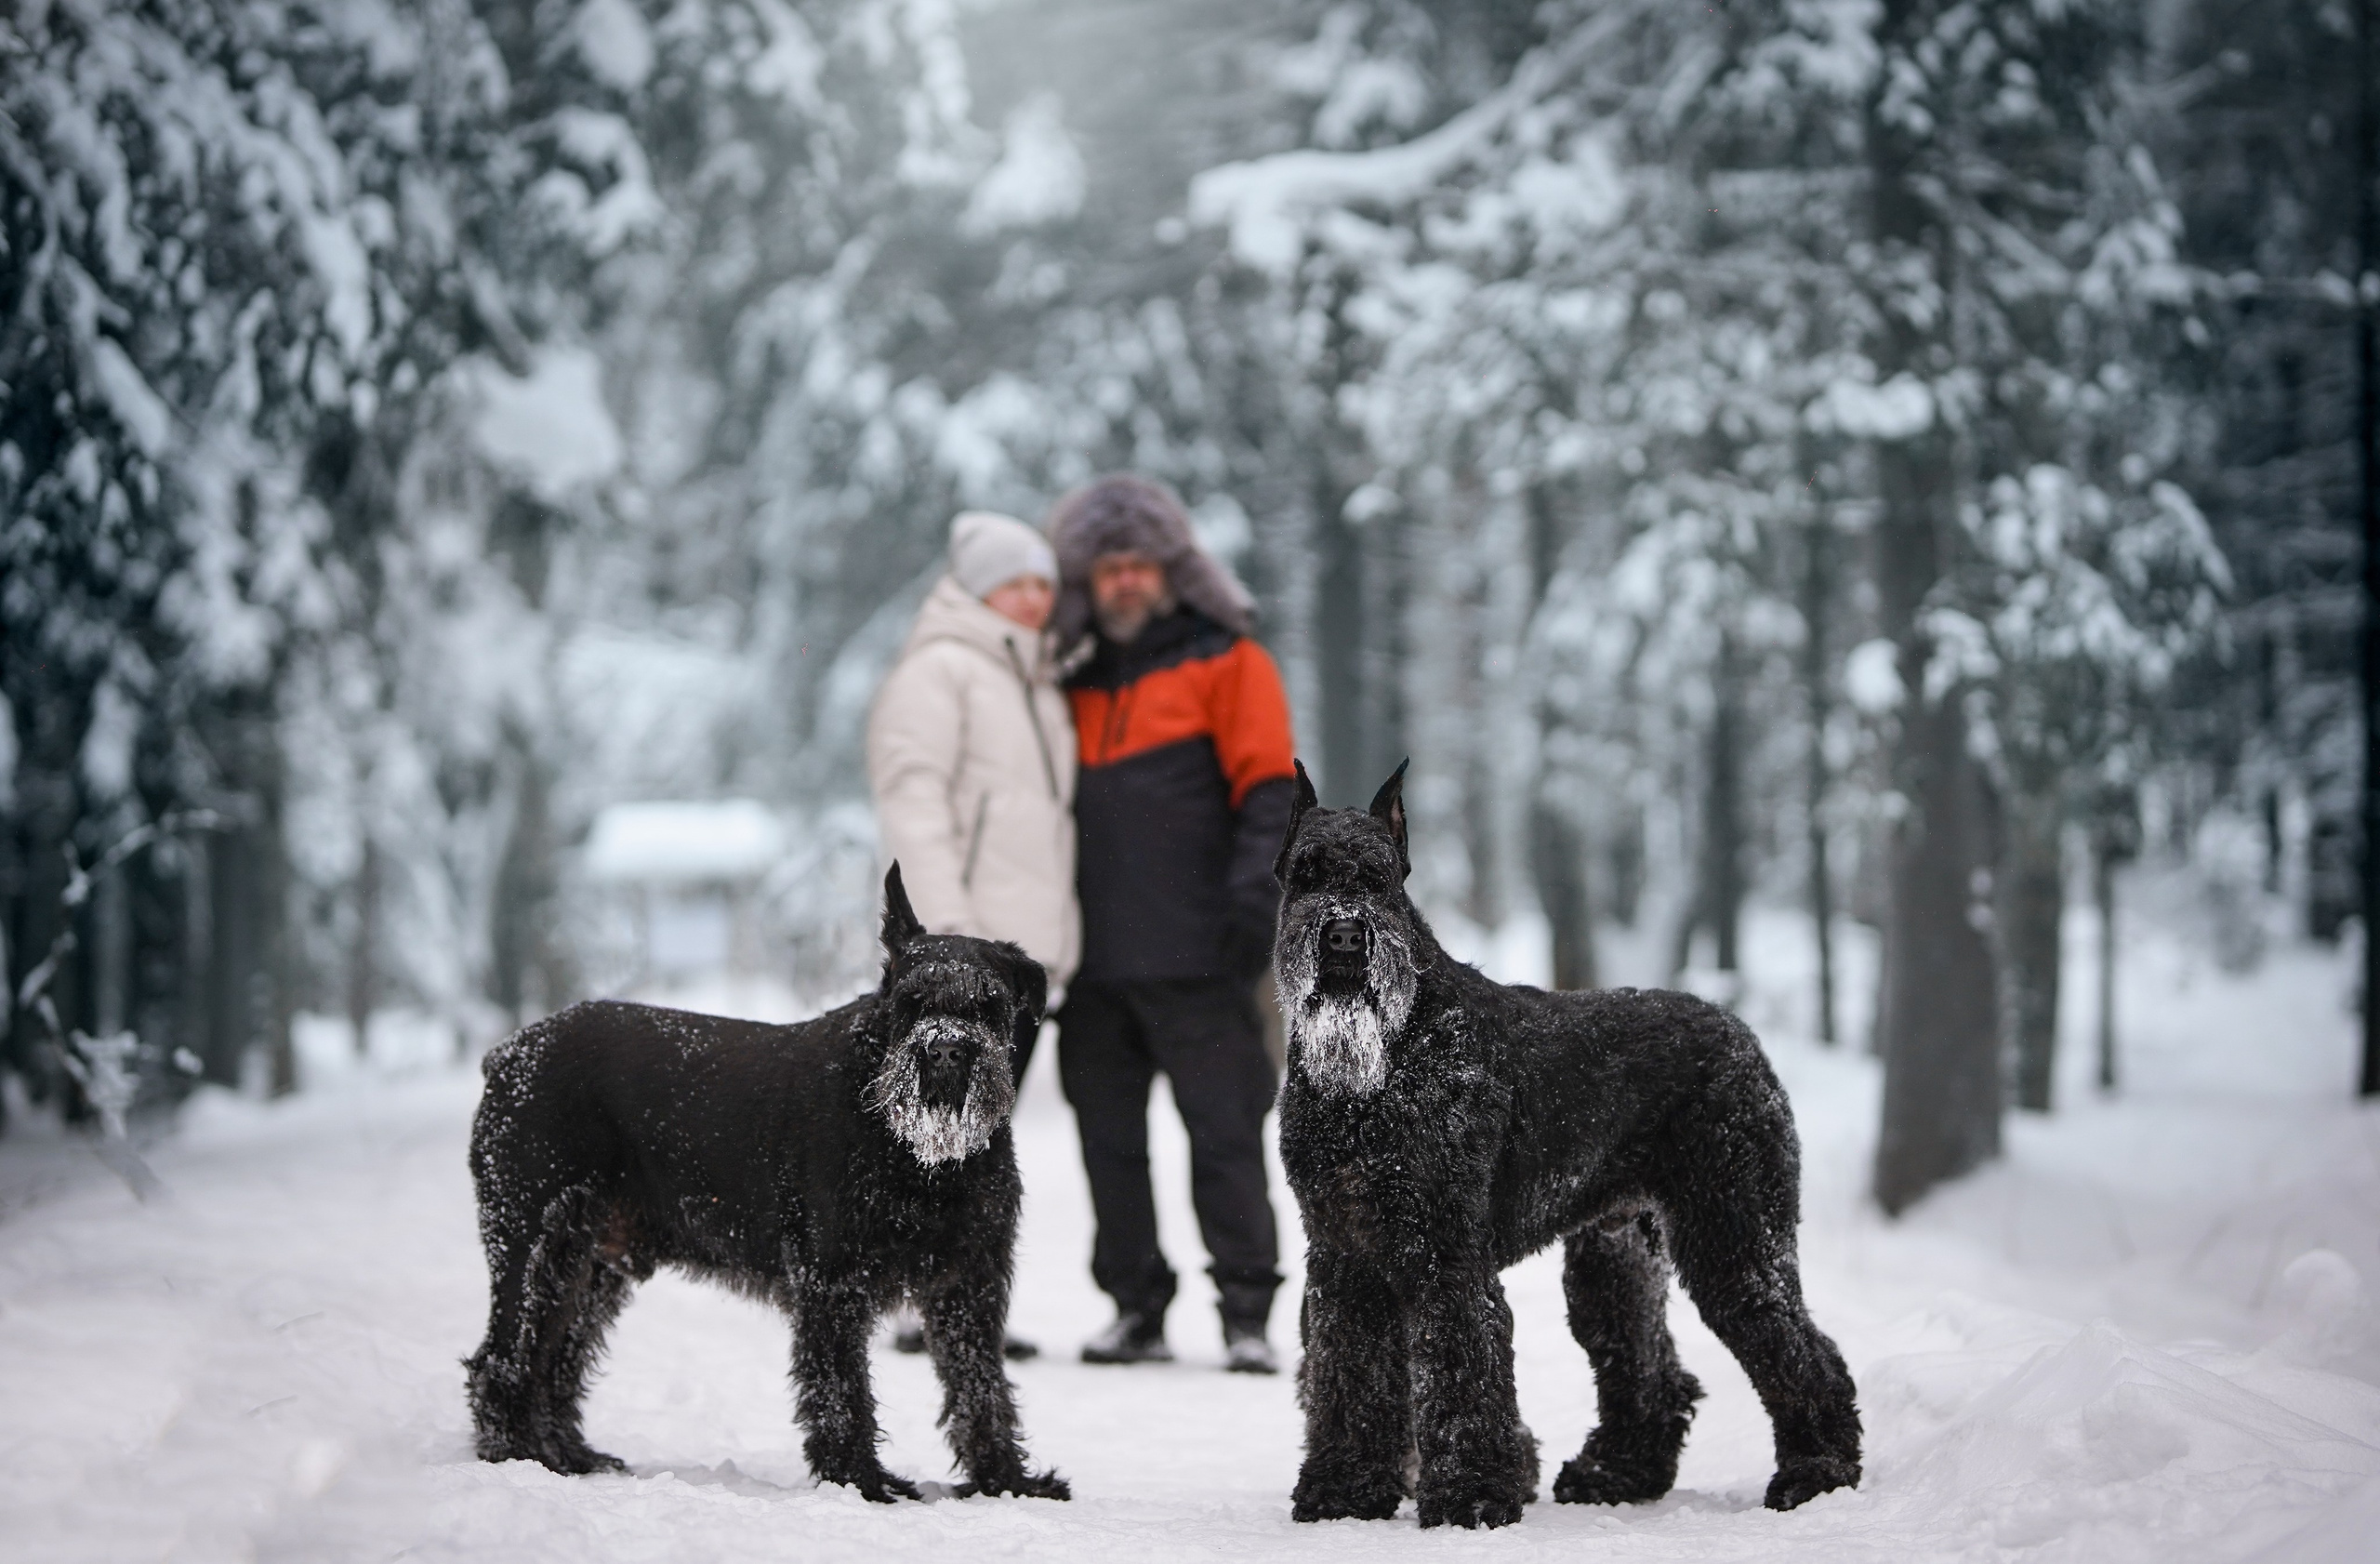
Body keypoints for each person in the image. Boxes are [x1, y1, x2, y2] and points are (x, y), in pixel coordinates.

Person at [1048, 474, 1295, 1374]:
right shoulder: (1064, 677)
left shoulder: (1228, 662)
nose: (1123, 581)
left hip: (1203, 953)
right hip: (1093, 963)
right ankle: (1135, 1305)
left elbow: (1271, 796)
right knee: (1107, 1140)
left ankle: (1246, 1310)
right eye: (1106, 566)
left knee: (1225, 1133)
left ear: (1171, 570)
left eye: (1138, 564)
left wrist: (1253, 908)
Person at [866, 510, 1080, 1359]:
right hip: (962, 951)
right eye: (1016, 582)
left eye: (1042, 583)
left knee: (982, 1130)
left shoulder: (1033, 676)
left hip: (1018, 958)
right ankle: (925, 1301)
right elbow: (913, 799)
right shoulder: (943, 670)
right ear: (977, 588)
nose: (1034, 598)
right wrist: (943, 929)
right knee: (933, 1124)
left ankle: (961, 1299)